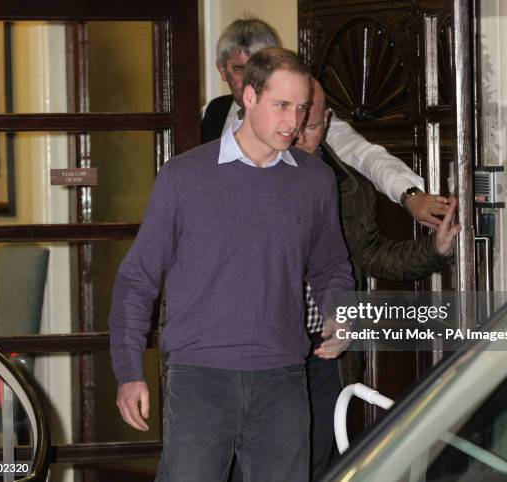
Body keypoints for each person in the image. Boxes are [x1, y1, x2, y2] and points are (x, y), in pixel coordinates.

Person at [108, 48, 353, 482]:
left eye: (301, 109)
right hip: (201, 381)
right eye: (282, 105)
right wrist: (129, 371)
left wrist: (340, 314)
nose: (293, 122)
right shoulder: (184, 177)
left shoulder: (314, 180)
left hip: (284, 381)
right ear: (250, 95)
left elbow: (331, 265)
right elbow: (137, 279)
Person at [297, 79, 461, 480]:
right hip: (261, 352)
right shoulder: (244, 175)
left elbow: (371, 256)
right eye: (294, 122)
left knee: (319, 463)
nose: (299, 136)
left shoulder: (347, 189)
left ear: (328, 123)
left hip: (324, 353)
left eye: (311, 126)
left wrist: (435, 250)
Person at [202, 17, 450, 230]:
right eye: (239, 69)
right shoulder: (212, 114)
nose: (249, 79)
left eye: (259, 67)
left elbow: (366, 156)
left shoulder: (305, 114)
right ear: (221, 70)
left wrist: (410, 195)